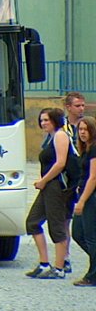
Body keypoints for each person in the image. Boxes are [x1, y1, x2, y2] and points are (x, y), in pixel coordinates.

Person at [25, 107, 75, 279]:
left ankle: (60, 267)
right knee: (33, 222)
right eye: (41, 120)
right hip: (47, 186)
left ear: (55, 120)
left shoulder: (61, 135)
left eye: (46, 120)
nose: (43, 123)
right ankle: (44, 263)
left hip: (56, 186)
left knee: (57, 226)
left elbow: (60, 163)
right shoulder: (49, 138)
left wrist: (44, 180)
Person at [71, 116, 96, 286]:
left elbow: (93, 177)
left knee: (90, 237)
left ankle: (92, 275)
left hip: (91, 197)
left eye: (86, 129)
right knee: (78, 233)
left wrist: (82, 201)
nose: (82, 133)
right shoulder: (85, 149)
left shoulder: (94, 149)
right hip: (83, 195)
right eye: (80, 129)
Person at [63, 92, 86, 272]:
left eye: (82, 105)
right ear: (68, 107)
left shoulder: (88, 126)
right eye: (77, 106)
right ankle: (65, 256)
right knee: (65, 219)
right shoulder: (61, 128)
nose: (81, 109)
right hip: (69, 177)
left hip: (86, 175)